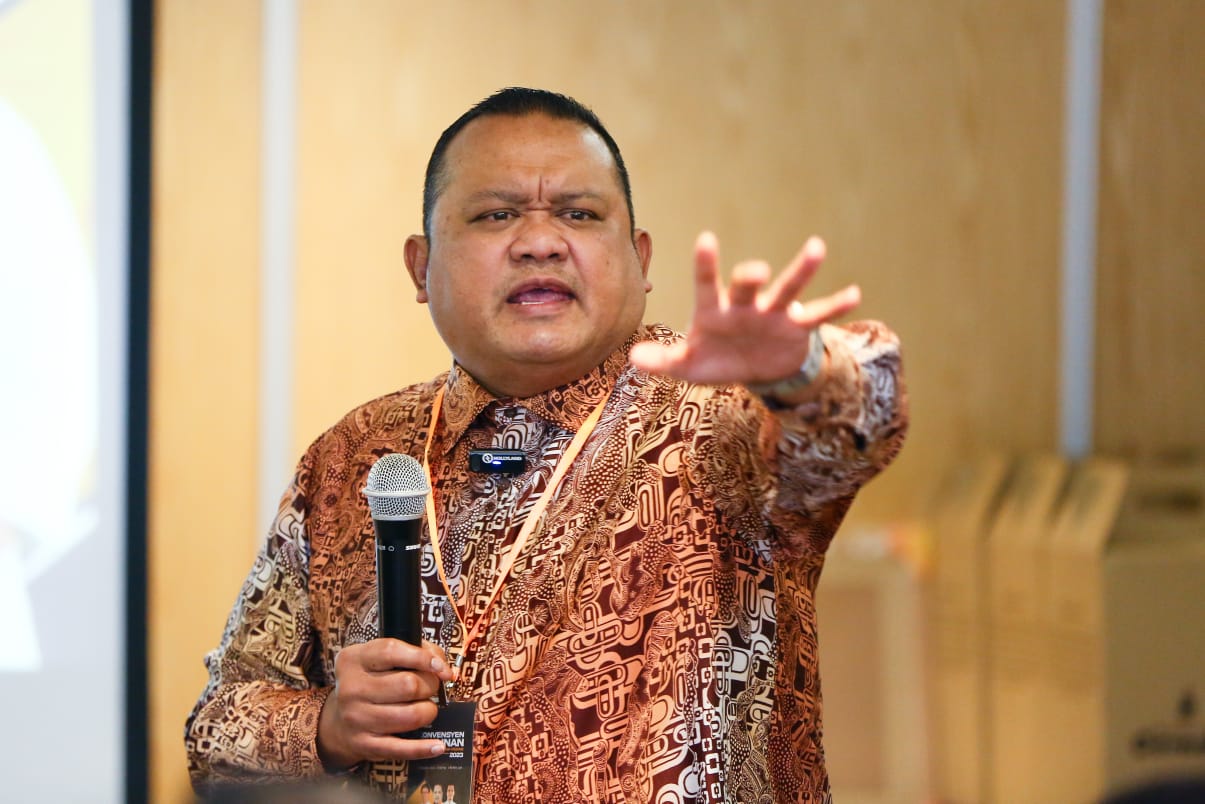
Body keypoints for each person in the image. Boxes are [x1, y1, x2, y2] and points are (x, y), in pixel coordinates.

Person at [186, 87, 907, 802]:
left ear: (640, 258)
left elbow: (856, 427)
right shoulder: (356, 456)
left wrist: (801, 371)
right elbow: (216, 731)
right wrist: (329, 726)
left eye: (579, 214)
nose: (539, 242)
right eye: (496, 215)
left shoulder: (722, 418)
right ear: (420, 266)